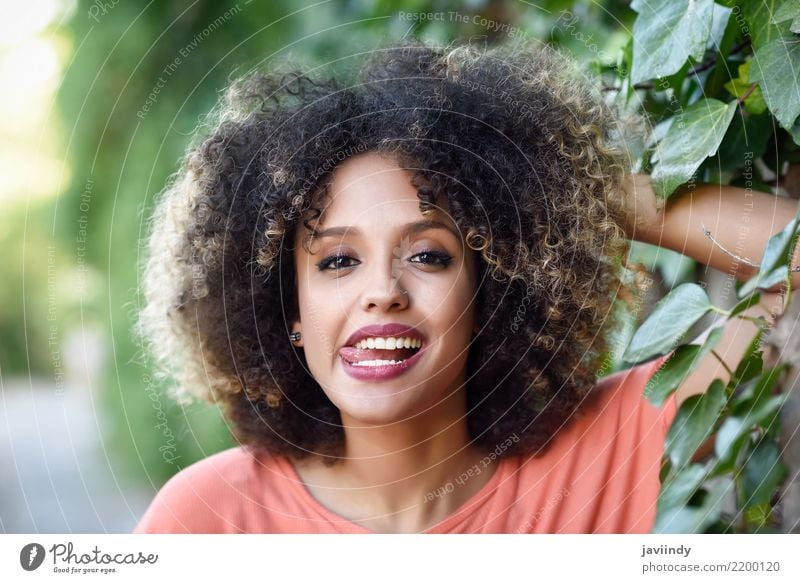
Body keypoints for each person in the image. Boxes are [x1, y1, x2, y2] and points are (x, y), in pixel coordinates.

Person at [133, 39, 796, 534]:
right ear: (291, 313)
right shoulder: (209, 518)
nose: (382, 291)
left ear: (488, 298)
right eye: (337, 261)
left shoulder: (604, 455)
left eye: (427, 254)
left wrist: (572, 195)